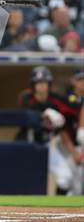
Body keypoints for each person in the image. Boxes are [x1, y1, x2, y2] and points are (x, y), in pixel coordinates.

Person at [16, 66, 80, 194]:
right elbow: (24, 116)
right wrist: (44, 114)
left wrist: (62, 120)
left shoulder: (54, 99)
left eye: (44, 82)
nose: (42, 86)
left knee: (65, 177)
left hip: (46, 145)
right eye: (38, 82)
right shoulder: (26, 97)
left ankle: (58, 210)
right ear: (33, 85)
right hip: (27, 144)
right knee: (23, 179)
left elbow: (75, 106)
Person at [56, 68, 84, 195]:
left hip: (80, 147)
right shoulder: (67, 100)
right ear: (73, 81)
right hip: (67, 146)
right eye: (80, 80)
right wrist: (73, 151)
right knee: (65, 179)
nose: (83, 82)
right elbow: (62, 129)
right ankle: (53, 210)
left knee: (77, 188)